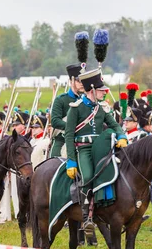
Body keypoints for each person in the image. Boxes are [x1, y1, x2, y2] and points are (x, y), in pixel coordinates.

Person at [64, 67, 127, 237]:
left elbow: (114, 125)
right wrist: (71, 160)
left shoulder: (102, 109)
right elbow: (69, 136)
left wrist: (122, 136)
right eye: (101, 90)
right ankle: (86, 219)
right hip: (83, 150)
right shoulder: (75, 108)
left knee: (115, 171)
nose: (105, 93)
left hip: (101, 149)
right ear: (92, 90)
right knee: (88, 176)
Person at [50, 64, 85, 158]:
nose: (82, 83)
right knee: (53, 163)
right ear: (71, 81)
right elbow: (55, 121)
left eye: (84, 80)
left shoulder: (87, 100)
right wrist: (74, 127)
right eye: (78, 80)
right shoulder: (61, 100)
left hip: (83, 139)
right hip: (62, 139)